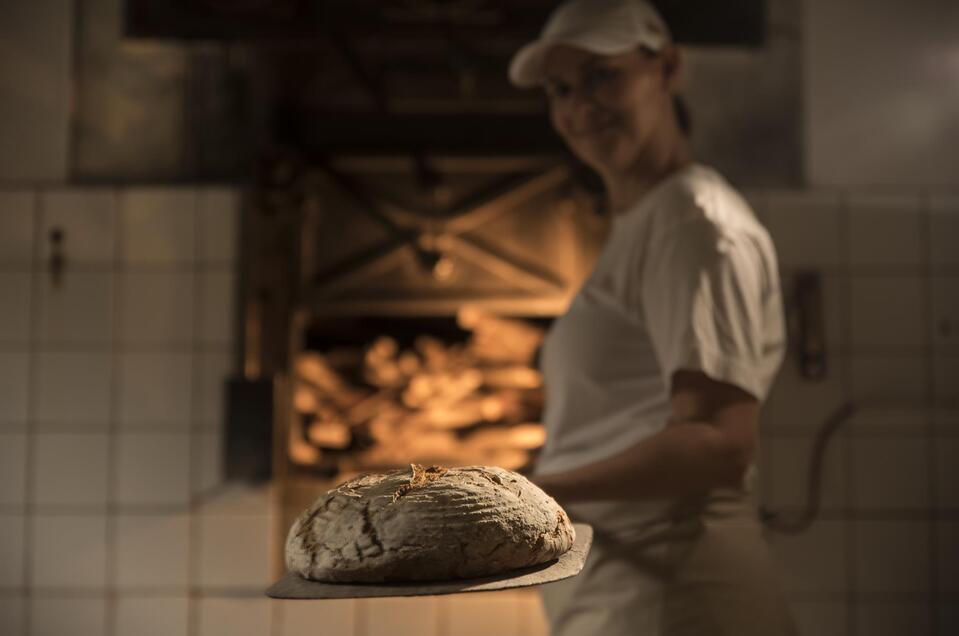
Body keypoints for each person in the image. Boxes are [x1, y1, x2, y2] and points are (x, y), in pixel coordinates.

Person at [500, 1, 798, 634]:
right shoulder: (652, 221)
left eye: (603, 75)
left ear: (668, 68)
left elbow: (719, 442)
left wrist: (529, 492)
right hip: (637, 586)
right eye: (561, 89)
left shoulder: (692, 223)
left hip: (677, 590)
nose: (580, 107)